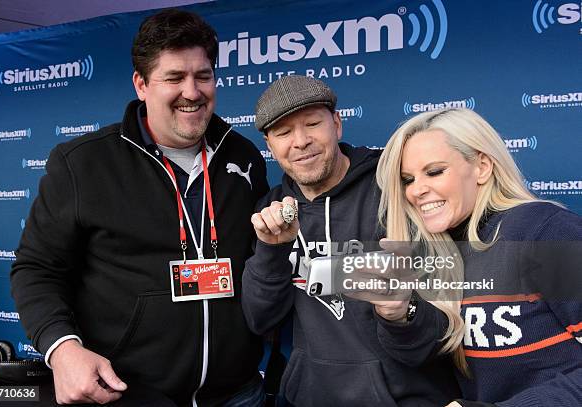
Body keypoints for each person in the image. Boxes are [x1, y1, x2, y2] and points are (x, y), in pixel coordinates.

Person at [10, 8, 269, 406]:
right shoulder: (82, 163)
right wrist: (62, 348)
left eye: (203, 75)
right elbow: (36, 269)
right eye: (174, 78)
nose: (193, 91)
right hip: (130, 394)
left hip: (239, 393)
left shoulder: (243, 155)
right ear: (141, 84)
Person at [241, 75, 460, 406]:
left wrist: (403, 312)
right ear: (270, 145)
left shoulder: (396, 189)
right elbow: (260, 319)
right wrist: (273, 250)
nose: (300, 141)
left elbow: (443, 313)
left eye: (312, 124)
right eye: (284, 133)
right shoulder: (271, 210)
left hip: (404, 396)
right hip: (312, 397)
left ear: (337, 125)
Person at [376, 108, 582, 406]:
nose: (417, 190)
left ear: (482, 166)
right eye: (408, 179)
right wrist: (399, 316)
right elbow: (419, 357)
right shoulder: (441, 251)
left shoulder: (545, 229)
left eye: (434, 171)